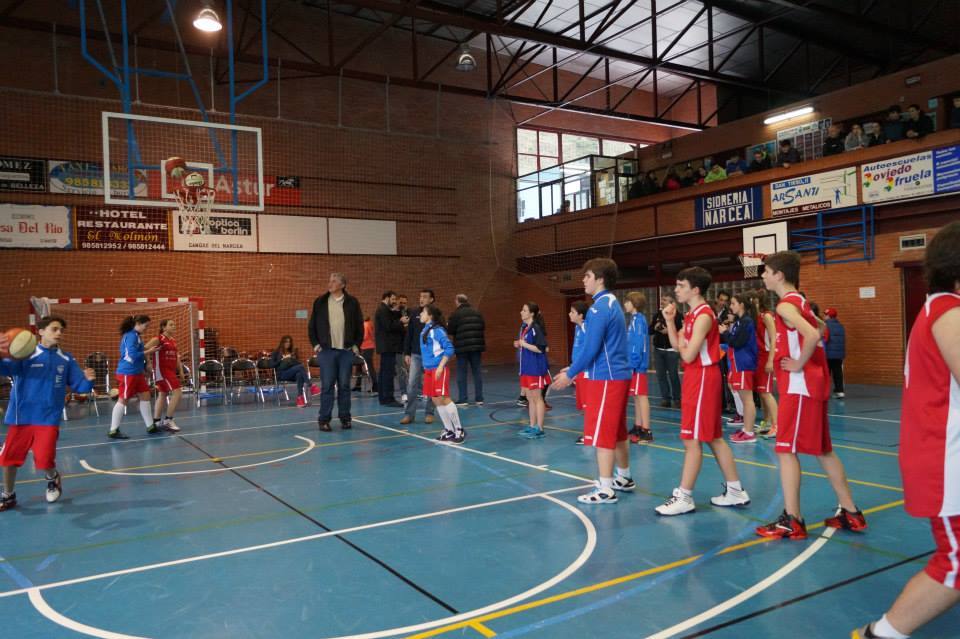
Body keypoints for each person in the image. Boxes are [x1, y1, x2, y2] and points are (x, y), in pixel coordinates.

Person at [852, 222, 960, 639]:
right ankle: (880, 634)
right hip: (943, 459)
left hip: (941, 452)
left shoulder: (942, 308)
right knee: (955, 561)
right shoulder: (947, 311)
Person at [756, 251, 865, 539]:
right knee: (823, 450)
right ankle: (851, 512)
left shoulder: (785, 306)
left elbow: (815, 335)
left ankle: (792, 519)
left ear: (779, 274)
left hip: (800, 386)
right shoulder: (801, 300)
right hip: (814, 386)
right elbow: (822, 327)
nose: (763, 275)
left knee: (786, 451)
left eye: (766, 271)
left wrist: (798, 363)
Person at [654, 267, 750, 515]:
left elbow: (687, 353)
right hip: (697, 377)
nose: (676, 290)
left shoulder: (704, 315)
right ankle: (736, 491)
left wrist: (683, 345)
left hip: (703, 378)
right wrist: (668, 320)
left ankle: (684, 496)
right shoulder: (691, 315)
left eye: (680, 285)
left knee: (691, 439)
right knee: (713, 437)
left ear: (695, 289)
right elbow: (677, 346)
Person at [551, 258, 633, 505]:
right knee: (617, 431)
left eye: (587, 276)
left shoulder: (599, 308)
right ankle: (625, 477)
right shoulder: (610, 304)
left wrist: (571, 374)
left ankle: (606, 488)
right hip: (614, 375)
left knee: (604, 433)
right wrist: (575, 368)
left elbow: (591, 348)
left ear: (600, 279)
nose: (583, 280)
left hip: (606, 378)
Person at [0, 316, 95, 511]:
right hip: (21, 417)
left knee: (43, 459)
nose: (59, 333)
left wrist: (88, 380)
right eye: (54, 329)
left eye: (61, 330)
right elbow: (4, 367)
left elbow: (80, 386)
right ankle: (8, 495)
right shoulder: (24, 354)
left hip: (47, 417)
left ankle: (53, 478)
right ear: (40, 331)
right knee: (9, 459)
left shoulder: (66, 359)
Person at [309, 272, 365, 432]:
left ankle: (345, 418)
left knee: (345, 386)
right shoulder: (320, 302)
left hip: (346, 352)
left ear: (342, 285)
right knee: (327, 386)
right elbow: (311, 326)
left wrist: (356, 345)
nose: (330, 283)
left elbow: (359, 325)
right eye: (330, 280)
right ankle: (324, 419)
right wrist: (316, 345)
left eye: (334, 281)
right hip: (326, 352)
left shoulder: (352, 302)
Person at [419, 305, 465, 444]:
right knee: (435, 399)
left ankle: (459, 429)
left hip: (438, 369)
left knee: (444, 398)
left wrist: (440, 367)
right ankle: (449, 430)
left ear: (430, 315)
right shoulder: (425, 330)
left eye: (423, 312)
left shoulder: (437, 330)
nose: (421, 314)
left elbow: (449, 348)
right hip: (428, 370)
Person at [109, 314, 159, 439]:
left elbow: (140, 355)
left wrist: (145, 366)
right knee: (123, 399)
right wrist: (150, 351)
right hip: (128, 372)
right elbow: (132, 355)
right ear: (138, 323)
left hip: (136, 372)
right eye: (145, 326)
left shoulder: (136, 336)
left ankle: (150, 426)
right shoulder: (130, 336)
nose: (146, 328)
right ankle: (113, 430)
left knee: (145, 396)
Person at [720, 293, 759, 444]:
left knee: (748, 400)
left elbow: (737, 342)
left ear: (742, 304)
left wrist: (724, 333)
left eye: (734, 303)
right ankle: (745, 429)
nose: (731, 306)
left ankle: (749, 432)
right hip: (737, 364)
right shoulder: (738, 322)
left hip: (744, 364)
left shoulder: (746, 322)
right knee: (744, 399)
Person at [401, 289, 437, 425]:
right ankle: (409, 414)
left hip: (430, 356)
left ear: (431, 299)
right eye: (420, 296)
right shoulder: (415, 313)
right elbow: (409, 334)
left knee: (430, 385)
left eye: (425, 297)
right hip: (415, 354)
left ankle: (429, 413)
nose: (421, 299)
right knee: (411, 385)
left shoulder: (436, 314)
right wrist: (407, 353)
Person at [515, 302, 549, 440]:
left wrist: (525, 344)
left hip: (535, 368)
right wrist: (519, 344)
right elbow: (526, 346)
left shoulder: (536, 328)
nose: (521, 312)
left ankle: (540, 428)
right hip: (526, 368)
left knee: (537, 398)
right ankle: (532, 425)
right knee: (529, 398)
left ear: (531, 313)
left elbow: (541, 348)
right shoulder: (525, 328)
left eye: (524, 310)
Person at [147, 319, 187, 431]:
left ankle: (156, 421)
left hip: (171, 370)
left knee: (163, 394)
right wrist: (149, 363)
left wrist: (181, 371)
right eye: (171, 325)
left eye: (174, 324)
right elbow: (144, 349)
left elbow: (177, 357)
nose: (174, 326)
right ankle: (169, 420)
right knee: (177, 392)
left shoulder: (173, 341)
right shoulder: (157, 339)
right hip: (162, 371)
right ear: (164, 327)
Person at [448, 293, 485, 406]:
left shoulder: (455, 314)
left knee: (461, 373)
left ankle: (463, 399)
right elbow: (483, 326)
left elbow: (450, 330)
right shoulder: (477, 313)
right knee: (477, 372)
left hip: (462, 347)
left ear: (457, 301)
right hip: (476, 347)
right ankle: (479, 398)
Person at [624, 292, 652, 444]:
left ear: (634, 303)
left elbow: (638, 345)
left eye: (627, 302)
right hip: (632, 365)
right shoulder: (633, 320)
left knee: (641, 396)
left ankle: (646, 430)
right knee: (636, 396)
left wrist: (633, 363)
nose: (625, 304)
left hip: (637, 366)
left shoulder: (639, 321)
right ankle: (638, 425)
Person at [752, 290, 779, 440]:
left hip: (765, 356)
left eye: (753, 299)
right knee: (762, 393)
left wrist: (771, 359)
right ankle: (767, 422)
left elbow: (774, 338)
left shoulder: (767, 315)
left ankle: (777, 425)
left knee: (766, 392)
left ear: (758, 300)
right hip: (757, 357)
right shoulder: (755, 317)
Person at [375, 290, 407, 407]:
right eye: (393, 299)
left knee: (384, 372)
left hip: (387, 346)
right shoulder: (383, 310)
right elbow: (389, 326)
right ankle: (388, 398)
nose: (394, 302)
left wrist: (397, 314)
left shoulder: (385, 310)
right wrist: (401, 321)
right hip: (388, 346)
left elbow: (390, 321)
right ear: (386, 298)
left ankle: (384, 398)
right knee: (388, 373)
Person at [269, 335, 318, 408]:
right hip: (282, 374)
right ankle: (310, 385)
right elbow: (271, 365)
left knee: (299, 374)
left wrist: (292, 359)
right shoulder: (276, 352)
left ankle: (300, 398)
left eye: (289, 342)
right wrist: (282, 359)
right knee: (300, 367)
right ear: (282, 343)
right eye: (286, 342)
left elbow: (298, 363)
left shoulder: (292, 352)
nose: (287, 343)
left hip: (292, 373)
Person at [652, 293, 682, 409]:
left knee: (673, 375)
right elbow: (650, 330)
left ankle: (677, 398)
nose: (662, 301)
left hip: (672, 350)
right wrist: (655, 328)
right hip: (659, 349)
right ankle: (665, 398)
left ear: (672, 303)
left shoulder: (678, 316)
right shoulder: (657, 315)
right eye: (662, 300)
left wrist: (669, 330)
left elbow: (681, 331)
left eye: (665, 300)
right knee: (661, 375)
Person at [568, 299, 590, 445]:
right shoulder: (577, 328)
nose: (569, 314)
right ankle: (589, 433)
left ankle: (589, 435)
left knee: (589, 405)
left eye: (573, 312)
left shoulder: (587, 328)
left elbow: (588, 351)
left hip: (587, 372)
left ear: (581, 315)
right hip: (579, 371)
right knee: (584, 405)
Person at [824, 308, 846, 399]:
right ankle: (840, 391)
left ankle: (824, 392)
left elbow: (825, 339)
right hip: (839, 355)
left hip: (828, 354)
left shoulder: (825, 326)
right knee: (838, 373)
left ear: (829, 316)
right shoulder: (841, 326)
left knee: (826, 374)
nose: (824, 316)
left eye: (825, 315)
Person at [395, 294, 410, 402]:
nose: (403, 305)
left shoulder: (410, 314)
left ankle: (416, 392)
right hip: (399, 347)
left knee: (412, 370)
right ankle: (404, 393)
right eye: (401, 303)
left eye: (405, 303)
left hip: (409, 346)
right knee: (401, 370)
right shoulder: (394, 314)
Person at [356, 316, 377, 393]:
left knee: (369, 366)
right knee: (359, 366)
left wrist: (356, 339)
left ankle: (375, 385)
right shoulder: (370, 323)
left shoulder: (365, 325)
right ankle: (358, 385)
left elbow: (364, 336)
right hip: (368, 347)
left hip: (366, 347)